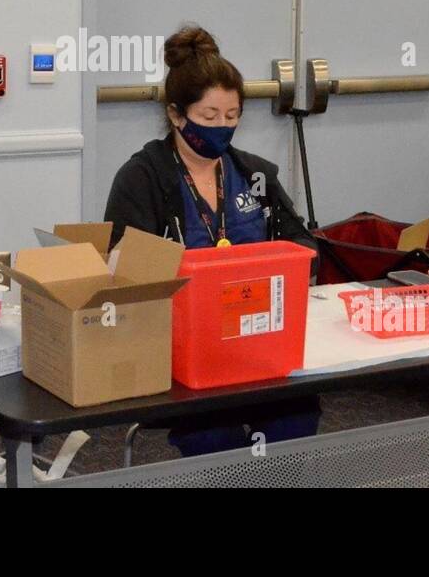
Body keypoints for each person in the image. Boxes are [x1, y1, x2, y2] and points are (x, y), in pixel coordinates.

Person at [104, 25, 321, 456]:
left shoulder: (255, 174)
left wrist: (288, 262)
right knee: (212, 431)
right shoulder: (143, 178)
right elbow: (122, 270)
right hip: (179, 349)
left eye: (232, 116)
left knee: (296, 413)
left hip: (257, 336)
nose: (223, 127)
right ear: (175, 114)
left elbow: (304, 246)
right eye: (208, 117)